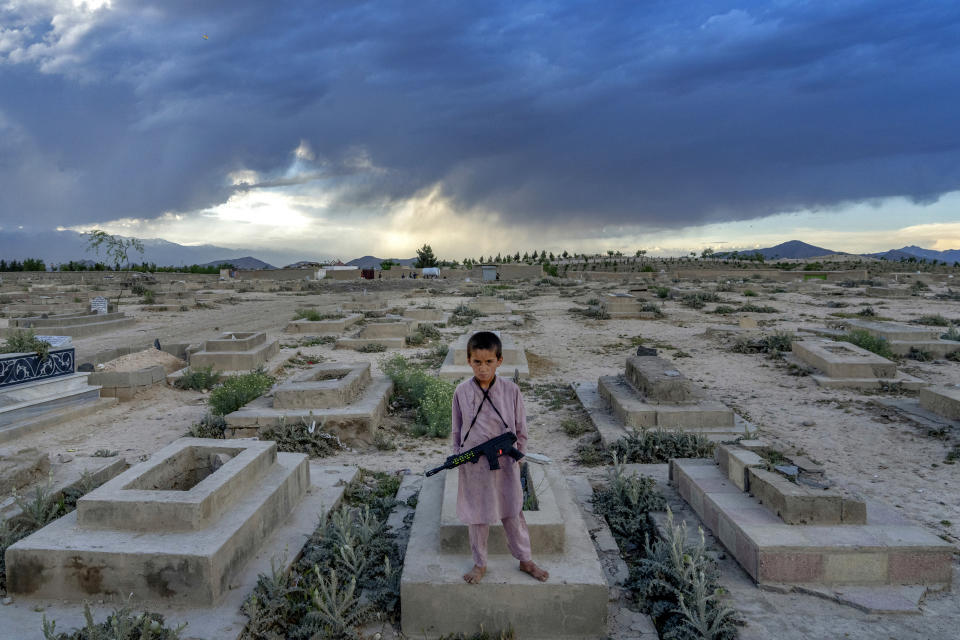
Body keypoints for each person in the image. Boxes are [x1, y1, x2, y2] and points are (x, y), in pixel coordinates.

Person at [451, 331, 549, 584]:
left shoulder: (511, 390)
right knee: (477, 515)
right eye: (477, 362)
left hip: (505, 462)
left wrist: (518, 457)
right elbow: (457, 428)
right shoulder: (461, 391)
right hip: (475, 465)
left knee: (513, 511)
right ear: (468, 361)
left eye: (489, 362)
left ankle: (525, 560)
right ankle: (480, 563)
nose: (483, 369)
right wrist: (458, 457)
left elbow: (520, 428)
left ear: (500, 361)